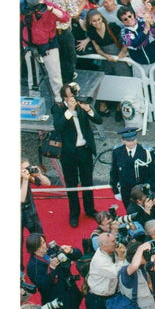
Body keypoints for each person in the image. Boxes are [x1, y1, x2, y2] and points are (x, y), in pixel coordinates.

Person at [51, 83, 102, 227]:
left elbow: (98, 120)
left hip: (84, 150)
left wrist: (89, 110)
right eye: (70, 96)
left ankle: (90, 209)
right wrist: (70, 111)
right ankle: (74, 213)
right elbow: (58, 127)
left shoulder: (82, 104)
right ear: (64, 98)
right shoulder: (58, 109)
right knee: (71, 184)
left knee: (87, 181)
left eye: (74, 95)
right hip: (68, 153)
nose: (74, 98)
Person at [86, 232, 127, 309]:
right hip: (97, 299)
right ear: (103, 246)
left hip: (108, 296)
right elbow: (117, 273)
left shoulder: (110, 252)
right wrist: (121, 258)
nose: (116, 243)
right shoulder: (100, 261)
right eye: (113, 242)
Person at [109, 127, 155, 206]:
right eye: (128, 141)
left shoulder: (146, 152)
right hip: (126, 190)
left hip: (143, 190)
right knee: (130, 212)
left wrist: (154, 191)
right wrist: (115, 190)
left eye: (133, 140)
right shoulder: (117, 152)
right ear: (123, 140)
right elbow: (114, 172)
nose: (131, 143)